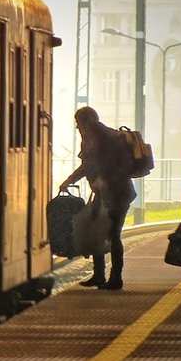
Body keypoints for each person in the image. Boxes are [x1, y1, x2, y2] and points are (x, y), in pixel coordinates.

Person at [59, 106, 136, 290]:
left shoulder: (110, 138)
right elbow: (86, 166)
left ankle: (116, 278)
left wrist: (106, 180)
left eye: (79, 124)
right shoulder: (87, 141)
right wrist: (69, 180)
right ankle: (99, 275)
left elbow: (126, 165)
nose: (78, 128)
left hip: (119, 194)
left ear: (89, 122)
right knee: (96, 232)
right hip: (101, 195)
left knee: (113, 234)